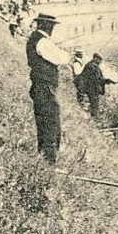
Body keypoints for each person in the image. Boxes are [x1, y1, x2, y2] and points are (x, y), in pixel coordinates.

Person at [25, 12, 72, 162]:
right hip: (45, 87)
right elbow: (62, 58)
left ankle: (44, 156)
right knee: (51, 123)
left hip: (40, 86)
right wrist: (66, 54)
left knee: (44, 122)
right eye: (51, 26)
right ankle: (49, 159)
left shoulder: (36, 39)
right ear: (45, 25)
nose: (52, 29)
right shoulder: (43, 41)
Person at [77, 53, 117, 117]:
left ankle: (94, 118)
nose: (100, 62)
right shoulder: (93, 66)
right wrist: (106, 80)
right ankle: (95, 119)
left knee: (93, 105)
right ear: (96, 59)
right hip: (92, 88)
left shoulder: (90, 65)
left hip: (90, 88)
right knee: (94, 105)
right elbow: (96, 78)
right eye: (100, 60)